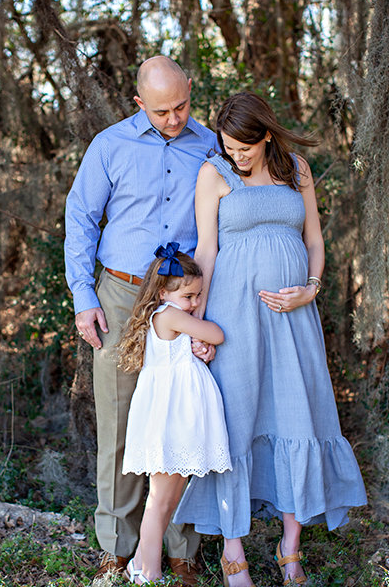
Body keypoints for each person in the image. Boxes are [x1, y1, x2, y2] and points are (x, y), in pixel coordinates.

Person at [173, 92, 367, 587]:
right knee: (237, 419)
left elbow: (315, 240)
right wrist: (201, 325)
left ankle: (290, 547)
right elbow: (207, 251)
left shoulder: (296, 169)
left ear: (266, 134)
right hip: (233, 317)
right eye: (229, 146)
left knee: (296, 413)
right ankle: (233, 553)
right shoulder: (213, 174)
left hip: (292, 318)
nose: (237, 155)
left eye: (245, 146)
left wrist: (311, 289)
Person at [63, 56, 218, 584]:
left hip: (185, 301)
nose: (173, 119)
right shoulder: (109, 146)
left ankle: (183, 544)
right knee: (121, 422)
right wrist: (84, 296)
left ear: (191, 91)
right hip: (121, 295)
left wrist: (207, 312)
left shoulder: (212, 144)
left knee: (183, 422)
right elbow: (81, 217)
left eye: (181, 106)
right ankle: (118, 545)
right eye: (160, 111)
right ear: (137, 103)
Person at [117, 244, 232, 584]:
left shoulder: (175, 316)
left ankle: (140, 563)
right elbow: (217, 333)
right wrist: (203, 336)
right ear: (164, 292)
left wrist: (201, 349)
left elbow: (200, 345)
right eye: (189, 296)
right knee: (160, 500)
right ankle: (147, 571)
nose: (195, 303)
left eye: (198, 296)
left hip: (181, 418)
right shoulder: (168, 314)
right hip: (170, 419)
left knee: (168, 500)